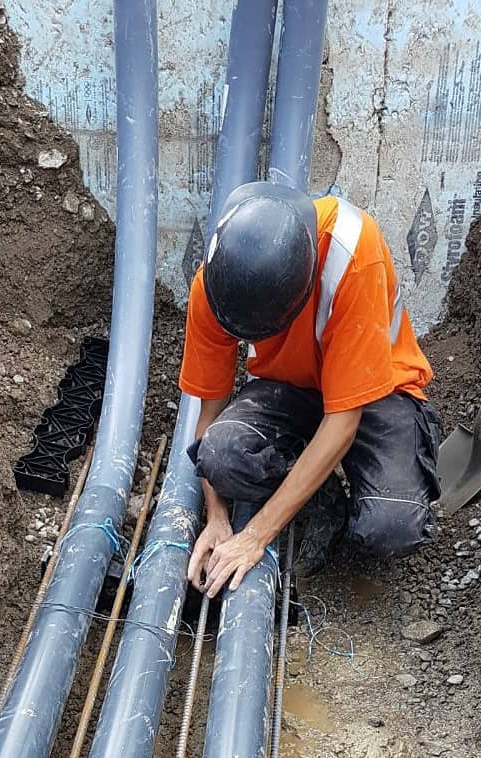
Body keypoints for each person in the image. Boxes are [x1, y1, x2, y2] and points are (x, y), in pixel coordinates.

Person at [179, 181, 442, 596]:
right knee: (220, 456)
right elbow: (207, 416)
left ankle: (344, 487)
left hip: (377, 389)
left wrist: (254, 538)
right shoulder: (218, 285)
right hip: (289, 386)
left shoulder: (353, 252)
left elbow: (342, 420)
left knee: (391, 525)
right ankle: (322, 497)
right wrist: (216, 517)